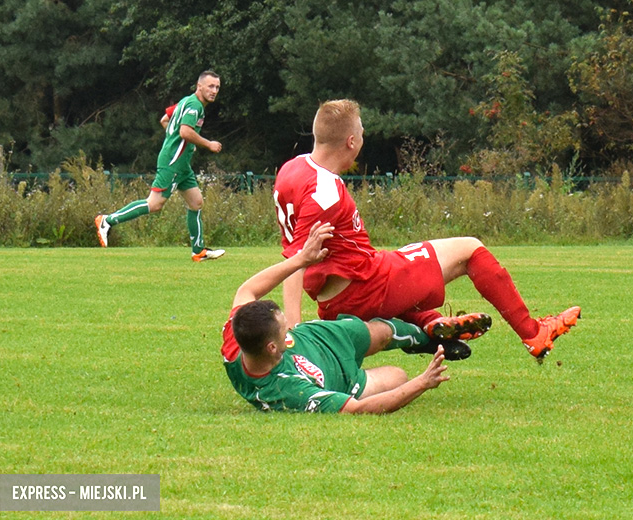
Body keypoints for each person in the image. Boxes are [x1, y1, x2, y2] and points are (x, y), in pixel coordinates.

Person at [273, 99, 580, 361]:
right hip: (367, 286)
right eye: (362, 134)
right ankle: (534, 333)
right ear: (351, 141)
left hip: (333, 300)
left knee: (408, 263)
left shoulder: (292, 168)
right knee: (470, 250)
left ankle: (429, 324)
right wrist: (296, 332)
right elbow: (298, 259)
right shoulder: (324, 189)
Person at [222, 221, 463, 414]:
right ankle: (429, 338)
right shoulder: (287, 391)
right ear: (272, 347)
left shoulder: (238, 335)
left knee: (383, 332)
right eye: (285, 333)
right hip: (345, 380)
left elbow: (247, 291)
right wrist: (422, 382)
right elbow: (356, 409)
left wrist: (301, 259)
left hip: (325, 338)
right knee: (399, 377)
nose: (289, 333)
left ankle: (426, 336)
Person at [95, 70, 225, 262]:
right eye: (210, 86)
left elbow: (165, 119)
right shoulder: (195, 106)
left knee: (196, 202)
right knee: (154, 204)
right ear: (199, 86)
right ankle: (107, 220)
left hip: (181, 164)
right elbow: (185, 132)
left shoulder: (185, 101)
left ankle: (198, 251)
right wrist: (208, 144)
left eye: (217, 87)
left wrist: (177, 141)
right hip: (173, 162)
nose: (214, 90)